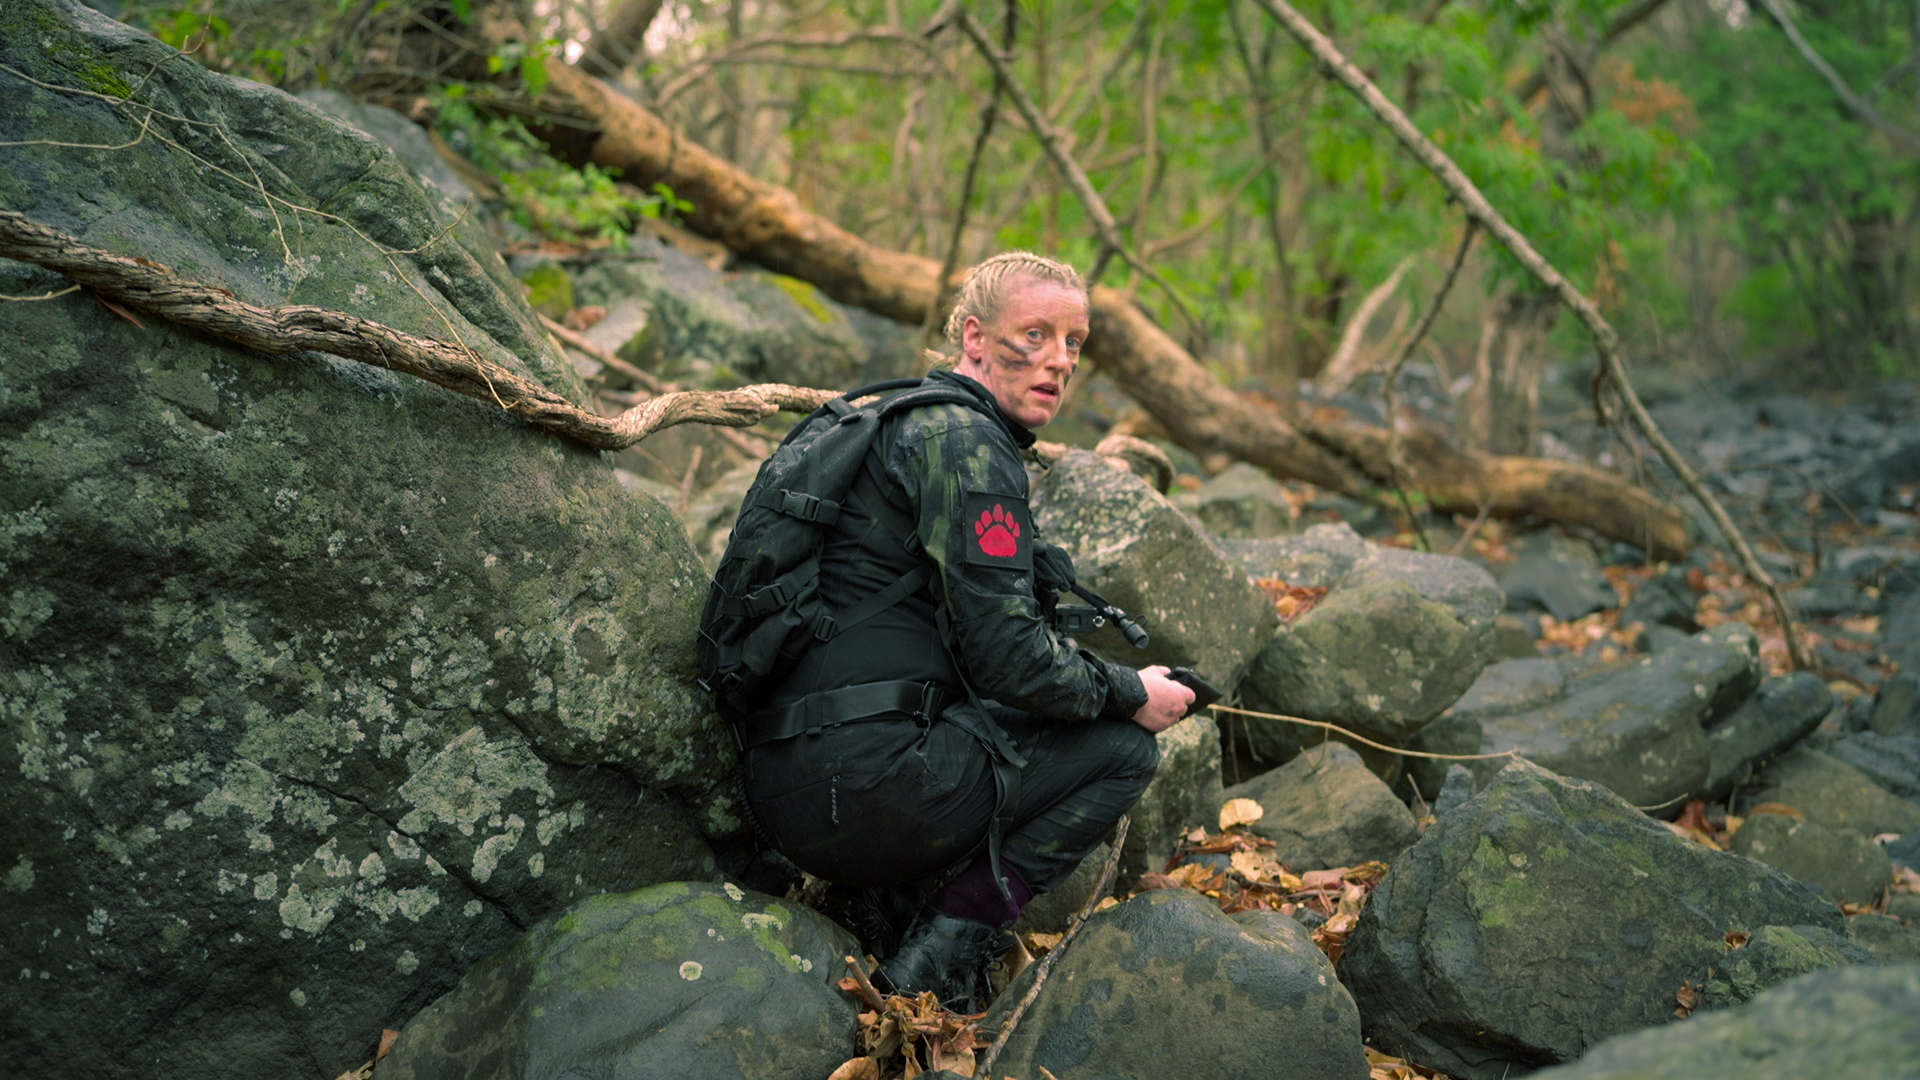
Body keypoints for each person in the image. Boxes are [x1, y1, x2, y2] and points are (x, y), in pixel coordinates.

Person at [735, 251, 1194, 1007]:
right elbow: (1009, 659)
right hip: (857, 798)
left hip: (777, 784)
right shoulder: (969, 446)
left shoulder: (897, 419)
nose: (1059, 361)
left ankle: (881, 907)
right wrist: (1128, 691)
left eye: (1074, 342)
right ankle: (936, 967)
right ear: (974, 338)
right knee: (1120, 750)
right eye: (1035, 334)